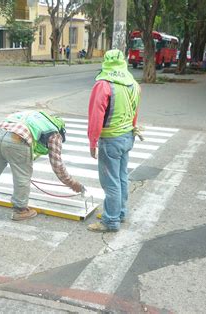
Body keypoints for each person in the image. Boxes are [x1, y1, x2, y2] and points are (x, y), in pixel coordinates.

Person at [0, 111, 85, 221]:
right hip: (18, 138)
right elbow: (57, 166)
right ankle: (20, 210)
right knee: (22, 177)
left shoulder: (38, 118)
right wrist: (72, 183)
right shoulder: (55, 133)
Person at [86, 49, 141, 232]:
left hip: (111, 139)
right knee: (121, 177)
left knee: (110, 182)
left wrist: (93, 141)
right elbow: (135, 112)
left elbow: (96, 116)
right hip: (127, 136)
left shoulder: (103, 85)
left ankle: (110, 221)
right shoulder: (132, 83)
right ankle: (120, 212)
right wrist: (131, 129)